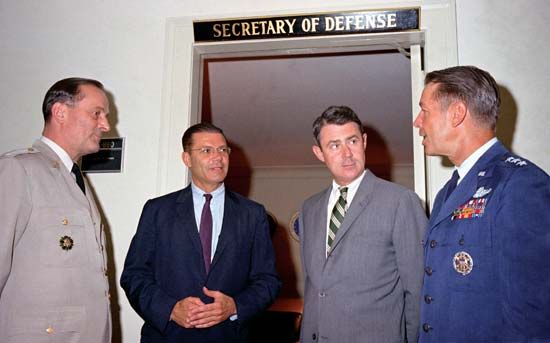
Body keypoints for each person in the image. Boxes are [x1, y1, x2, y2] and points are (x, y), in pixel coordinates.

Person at [414, 65, 550, 342]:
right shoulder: (447, 192)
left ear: (456, 113)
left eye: (424, 111)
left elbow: (533, 318)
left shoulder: (520, 185)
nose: (417, 121)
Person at [120, 122, 281, 342]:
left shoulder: (253, 214)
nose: (218, 157)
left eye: (223, 150)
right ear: (187, 159)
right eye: (207, 150)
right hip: (168, 336)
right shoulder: (157, 210)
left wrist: (234, 306)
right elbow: (134, 275)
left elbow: (268, 281)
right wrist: (170, 309)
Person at [299, 106, 427, 343]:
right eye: (334, 145)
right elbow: (314, 289)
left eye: (352, 141)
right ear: (319, 153)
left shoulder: (400, 201)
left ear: (364, 142)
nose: (347, 153)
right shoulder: (309, 209)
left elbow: (418, 290)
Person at [0, 78, 112, 342]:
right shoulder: (18, 169)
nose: (106, 125)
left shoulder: (74, 177)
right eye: (97, 113)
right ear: (60, 112)